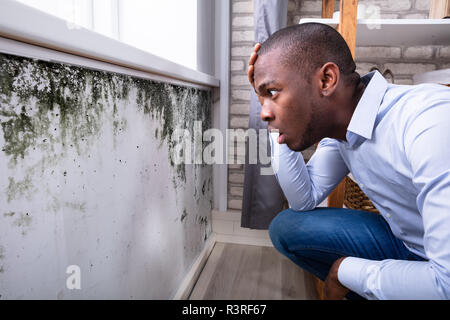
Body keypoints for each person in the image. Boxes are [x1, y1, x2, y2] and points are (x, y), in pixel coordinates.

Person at [247, 22, 450, 300]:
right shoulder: (343, 126)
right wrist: (273, 112)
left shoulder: (430, 121)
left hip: (442, 270)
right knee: (287, 226)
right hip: (408, 243)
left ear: (327, 79)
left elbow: (447, 283)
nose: (263, 113)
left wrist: (346, 271)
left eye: (273, 92)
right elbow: (303, 200)